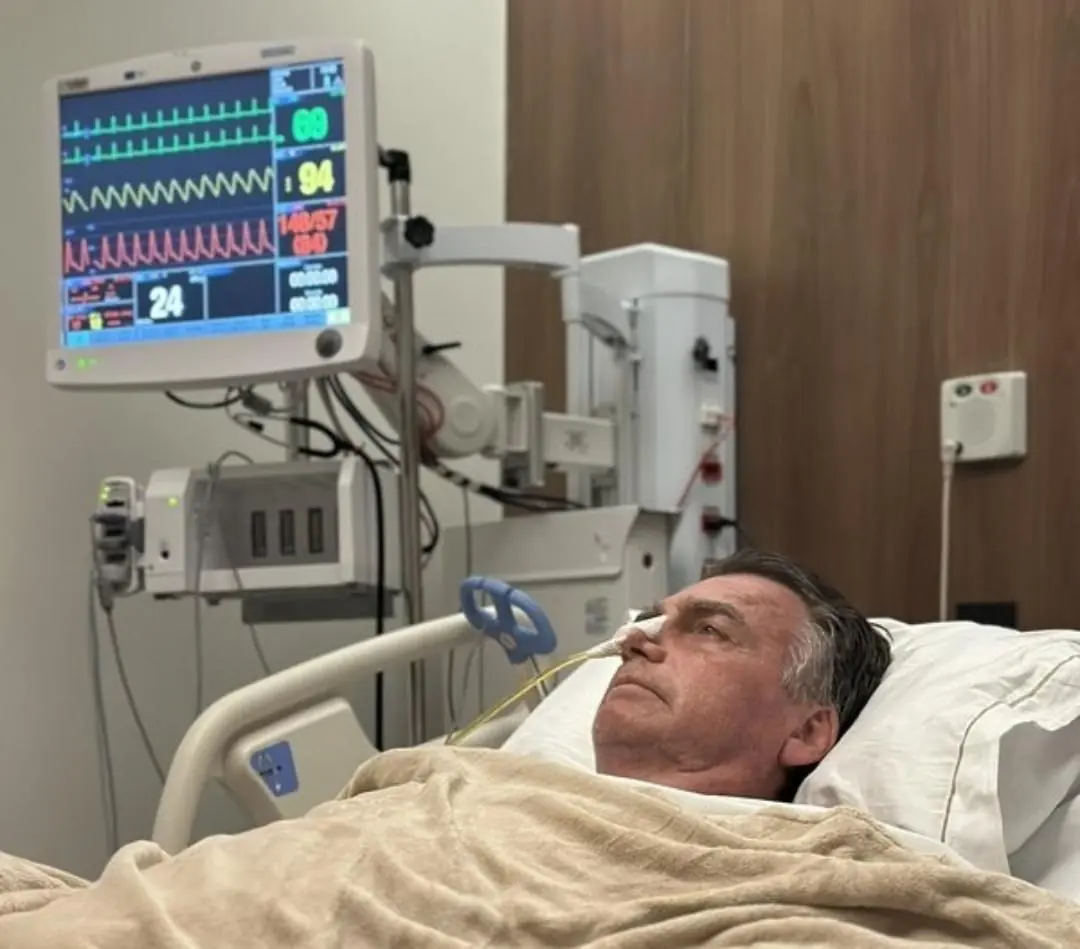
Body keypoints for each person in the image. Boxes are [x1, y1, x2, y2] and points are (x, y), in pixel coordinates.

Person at [593, 549, 891, 801]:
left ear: (806, 732)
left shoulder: (835, 853)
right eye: (648, 624)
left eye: (709, 629)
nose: (633, 641)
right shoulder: (562, 804)